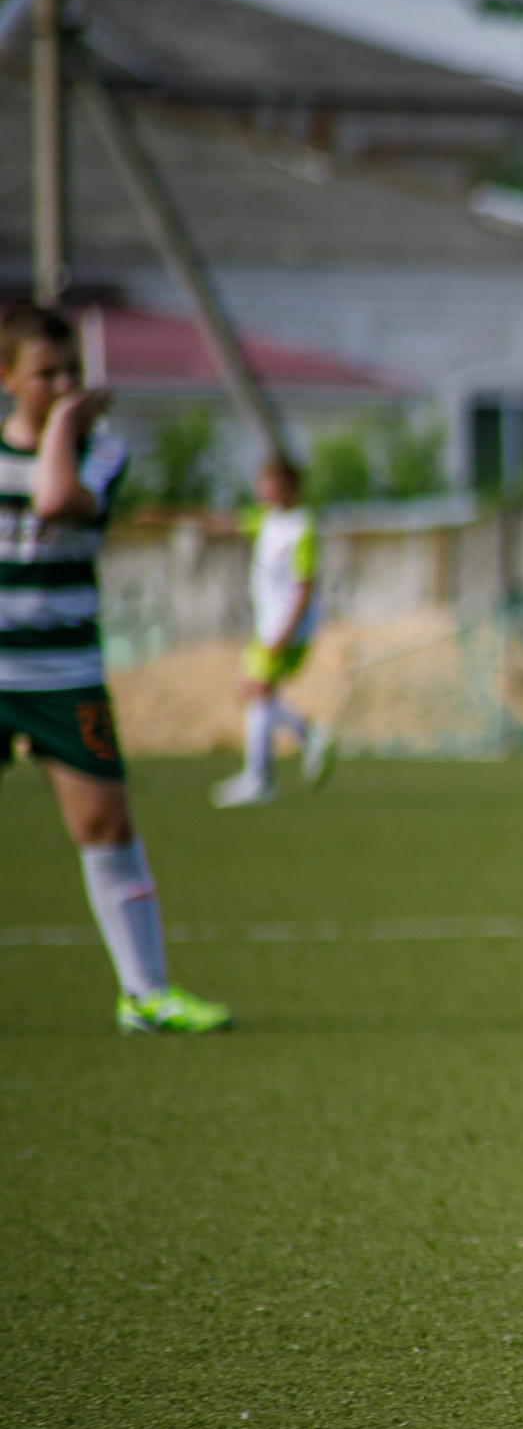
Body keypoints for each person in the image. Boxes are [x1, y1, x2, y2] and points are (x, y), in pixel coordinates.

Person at [0, 305, 231, 1034]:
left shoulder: (102, 451)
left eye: (73, 372)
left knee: (105, 823)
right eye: (47, 373)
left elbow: (56, 499)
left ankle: (145, 992)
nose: (65, 385)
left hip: (64, 675)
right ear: (6, 377)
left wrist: (62, 425)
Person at [212, 456, 334, 807]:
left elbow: (304, 585)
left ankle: (261, 777)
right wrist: (166, 516)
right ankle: (305, 737)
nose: (263, 490)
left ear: (289, 487)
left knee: (255, 690)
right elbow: (226, 524)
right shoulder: (266, 520)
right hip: (269, 626)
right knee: (255, 693)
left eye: (271, 484)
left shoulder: (301, 528)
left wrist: (286, 630)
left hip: (288, 627)